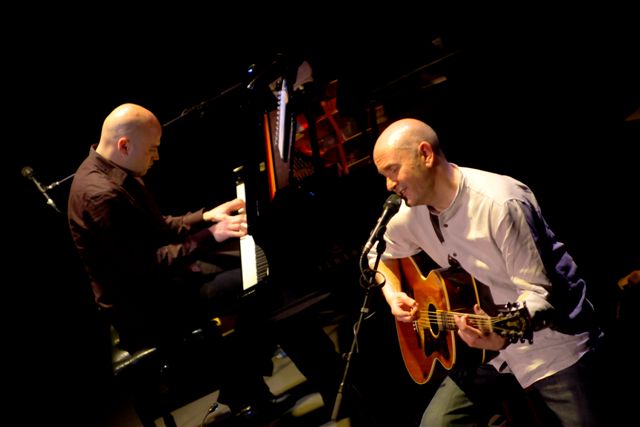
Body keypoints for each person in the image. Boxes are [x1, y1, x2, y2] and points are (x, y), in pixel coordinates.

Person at [67, 103, 297, 423]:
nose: (156, 157)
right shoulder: (99, 195)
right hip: (146, 307)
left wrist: (206, 217)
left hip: (161, 281)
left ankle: (246, 387)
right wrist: (211, 235)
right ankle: (246, 385)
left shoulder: (114, 168)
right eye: (152, 149)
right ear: (124, 145)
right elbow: (147, 266)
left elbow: (157, 227)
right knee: (264, 283)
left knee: (266, 264)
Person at [369, 118, 604, 426]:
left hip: (554, 346)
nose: (389, 185)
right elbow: (377, 255)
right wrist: (393, 295)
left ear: (425, 154)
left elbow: (540, 297)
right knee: (436, 423)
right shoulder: (410, 215)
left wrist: (500, 331)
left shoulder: (500, 202)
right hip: (490, 353)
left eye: (393, 171)